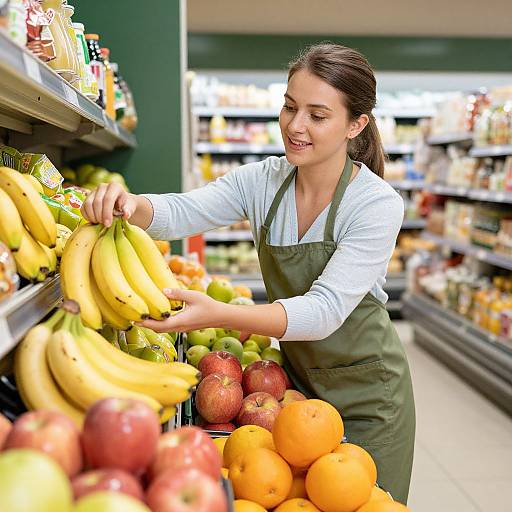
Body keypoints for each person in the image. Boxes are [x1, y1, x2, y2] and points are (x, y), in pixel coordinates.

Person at [82, 43, 415, 503]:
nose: (295, 127)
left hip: (370, 396)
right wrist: (130, 204)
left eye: (317, 116)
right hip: (297, 390)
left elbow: (323, 311)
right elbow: (182, 210)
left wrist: (218, 313)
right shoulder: (264, 181)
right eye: (289, 107)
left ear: (355, 125)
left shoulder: (376, 204)